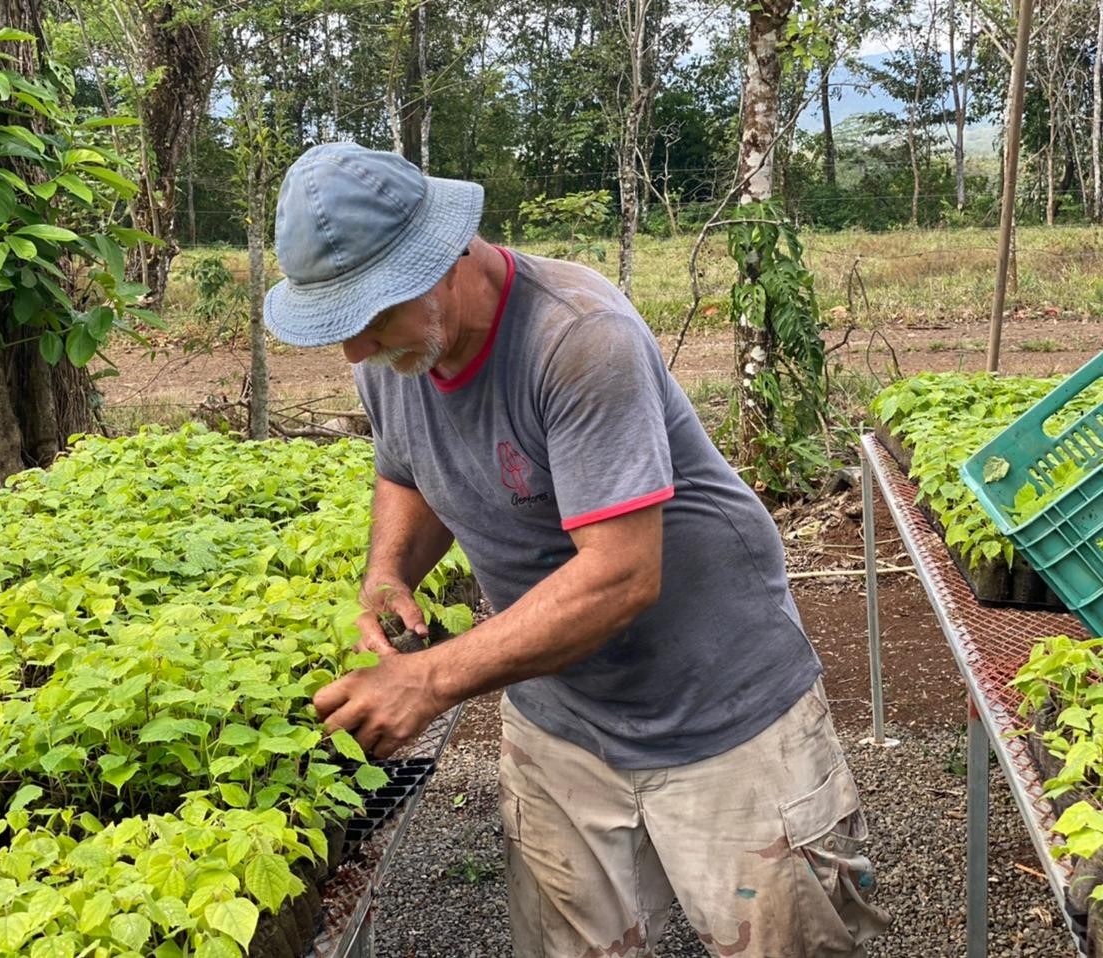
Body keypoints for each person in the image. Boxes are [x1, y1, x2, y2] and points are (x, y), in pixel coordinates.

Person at [264, 142, 888, 958]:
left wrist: (430, 679)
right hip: (561, 716)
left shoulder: (577, 338)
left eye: (368, 317)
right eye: (338, 323)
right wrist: (389, 571)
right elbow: (406, 469)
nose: (354, 352)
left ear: (440, 260)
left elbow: (621, 575)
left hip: (719, 710)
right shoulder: (394, 348)